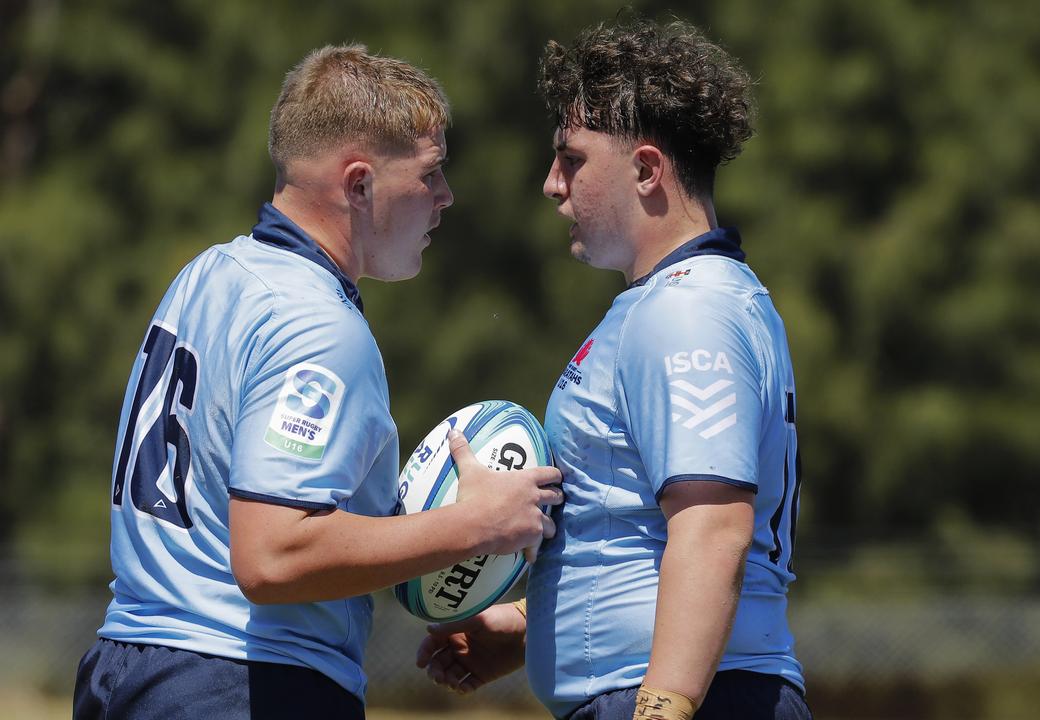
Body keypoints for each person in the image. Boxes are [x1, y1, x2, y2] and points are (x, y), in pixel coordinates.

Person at [73, 45, 562, 720]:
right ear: (359, 183)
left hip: (127, 667)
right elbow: (272, 556)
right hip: (240, 684)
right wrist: (474, 525)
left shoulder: (211, 274)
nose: (445, 197)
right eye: (429, 174)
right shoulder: (316, 326)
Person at [419, 19, 810, 720]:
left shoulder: (687, 311)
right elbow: (637, 530)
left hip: (699, 698)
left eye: (571, 159)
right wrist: (531, 630)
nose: (551, 185)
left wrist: (664, 706)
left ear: (647, 170)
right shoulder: (669, 303)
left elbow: (714, 530)